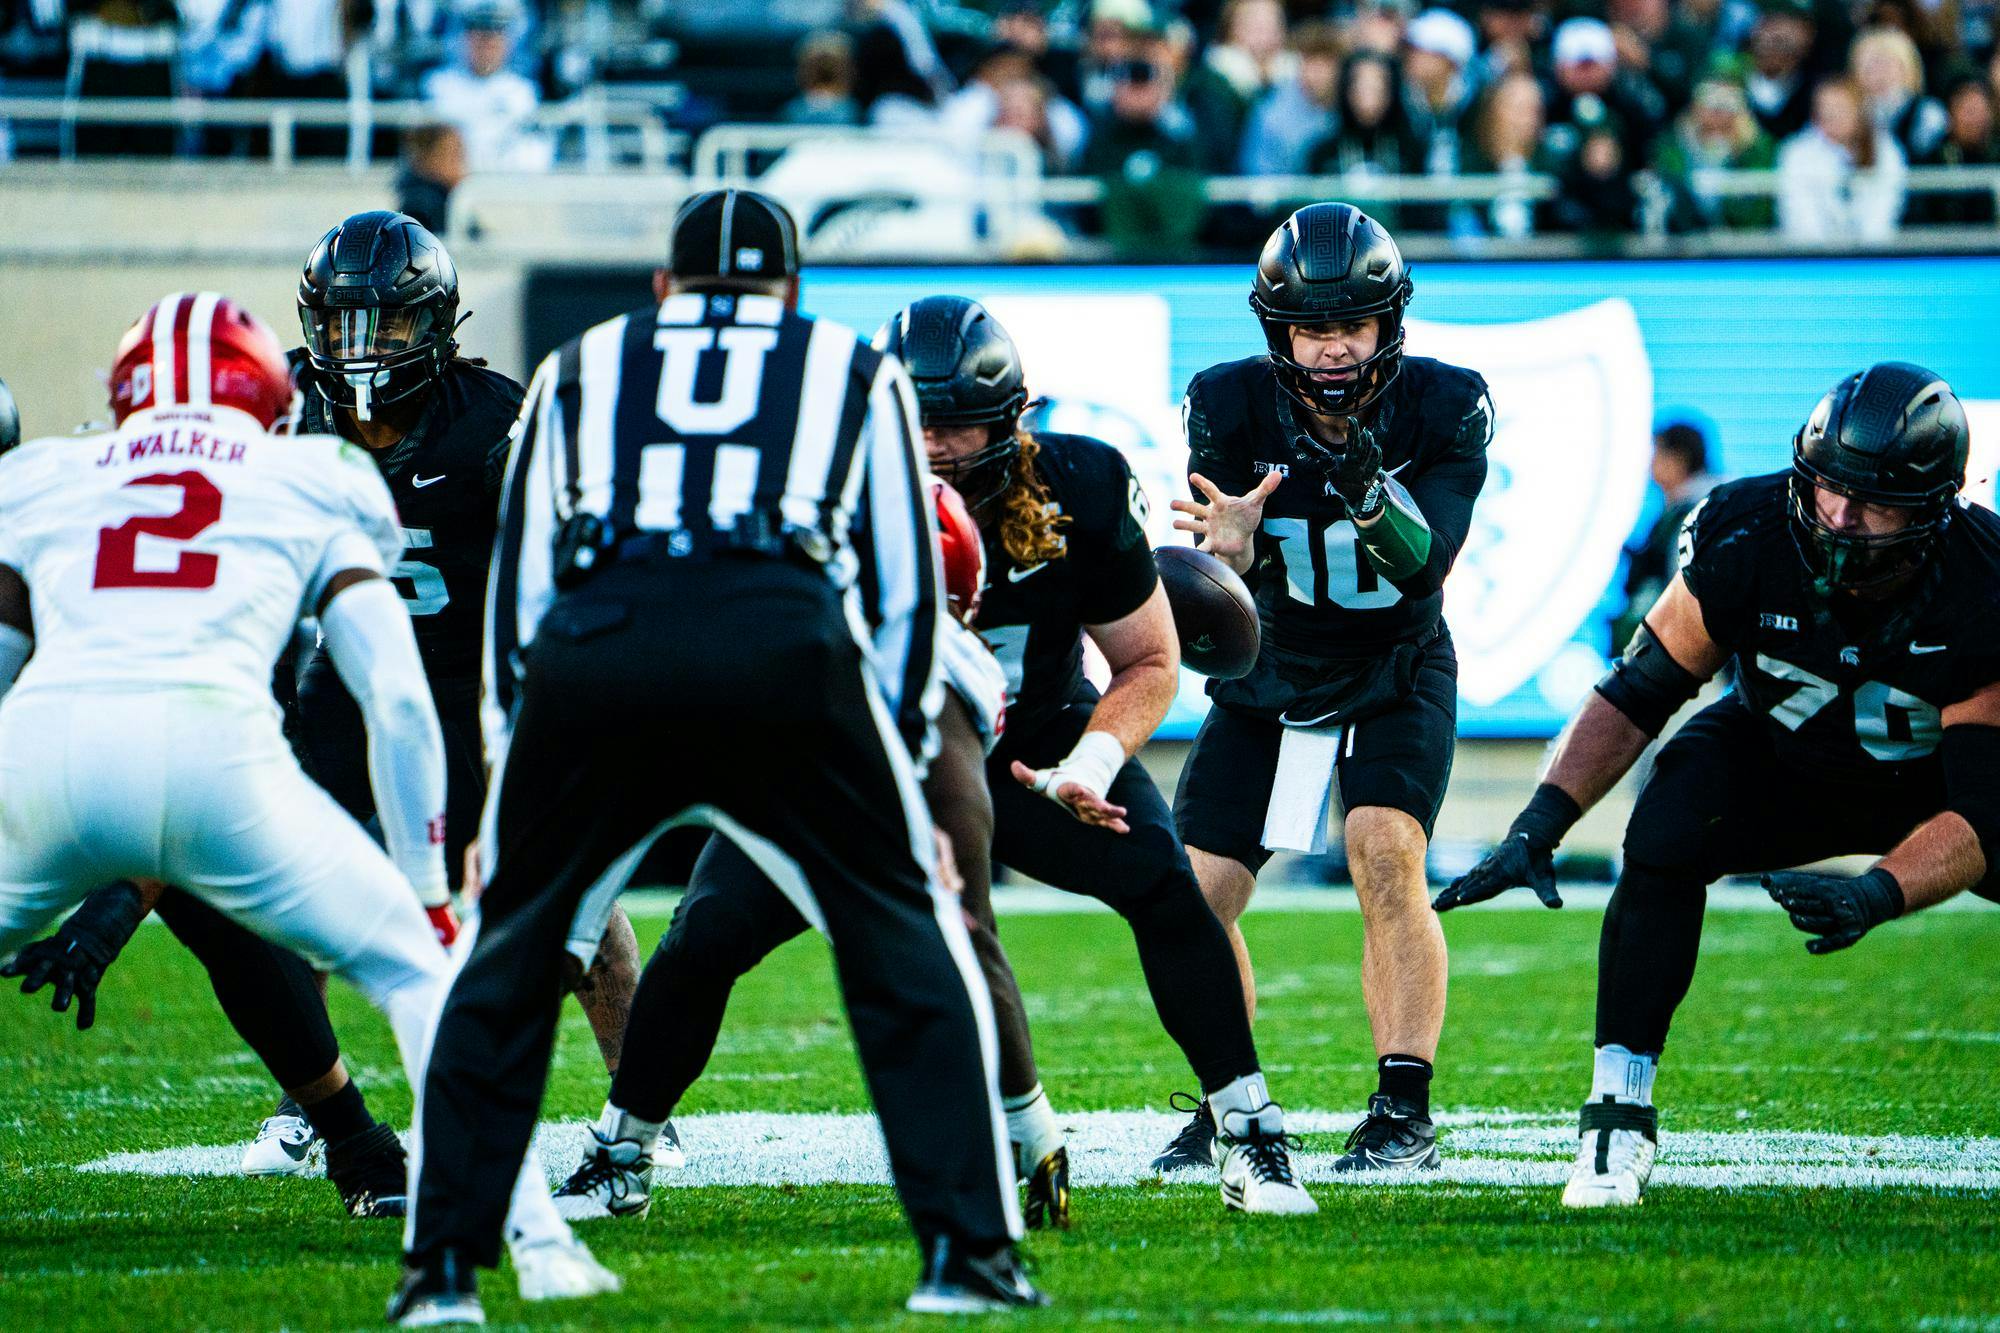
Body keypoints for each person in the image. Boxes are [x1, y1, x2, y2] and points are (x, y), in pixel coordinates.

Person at [394, 190, 1044, 1322]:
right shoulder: (850, 369)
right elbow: (901, 594)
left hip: (603, 643)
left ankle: (441, 1269)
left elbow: (522, 579)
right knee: (908, 941)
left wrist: (514, 752)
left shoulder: (582, 364)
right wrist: (896, 769)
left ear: (663, 287)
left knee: (507, 956)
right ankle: (966, 1255)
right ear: (788, 293)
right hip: (778, 642)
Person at [550, 293, 1316, 1228]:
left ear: (1012, 422)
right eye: (916, 422)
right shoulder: (810, 492)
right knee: (708, 929)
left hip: (1030, 747)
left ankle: (1250, 1131)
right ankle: (620, 1150)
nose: (935, 447)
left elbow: (1149, 660)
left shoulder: (1078, 486)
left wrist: (1093, 759)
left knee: (1162, 882)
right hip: (841, 748)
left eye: (957, 424)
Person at [0, 293, 608, 1305]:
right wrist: (423, 881)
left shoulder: (45, 472)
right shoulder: (311, 473)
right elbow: (399, 701)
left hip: (46, 752)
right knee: (418, 970)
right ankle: (503, 1255)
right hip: (217, 755)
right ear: (270, 398)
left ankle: (352, 1143)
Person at [1436, 363, 2000, 1208]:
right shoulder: (1748, 530)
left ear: (1931, 509)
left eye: (1873, 501)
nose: (1840, 517)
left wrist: (1880, 893)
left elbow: (1985, 809)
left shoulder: (1983, 581)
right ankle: (1618, 1111)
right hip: (1785, 761)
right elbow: (1637, 691)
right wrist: (1539, 824)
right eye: (1829, 489)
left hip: (1932, 787)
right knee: (1671, 814)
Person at [548, 469, 1080, 1231]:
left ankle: (1013, 1138)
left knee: (935, 946)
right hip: (786, 768)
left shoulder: (943, 677)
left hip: (881, 782)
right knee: (705, 933)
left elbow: (965, 927)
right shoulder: (754, 640)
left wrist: (1034, 1120)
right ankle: (625, 1148)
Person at [1168, 202, 1492, 1174]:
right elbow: (1205, 584)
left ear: (1388, 323)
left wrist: (1362, 483)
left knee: (1383, 848)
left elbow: (1422, 564)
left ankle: (1402, 1107)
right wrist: (1224, 560)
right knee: (1196, 895)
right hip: (1270, 669)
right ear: (1279, 331)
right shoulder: (1226, 406)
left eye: (1351, 324)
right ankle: (1231, 1101)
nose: (1334, 348)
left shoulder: (1444, 403)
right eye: (1313, 327)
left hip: (1393, 664)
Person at [1612, 420, 1719, 652]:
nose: (1650, 464)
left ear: (1678, 459)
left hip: (1690, 654)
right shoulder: (1686, 509)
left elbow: (1688, 592)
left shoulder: (1699, 514)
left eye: (1656, 453)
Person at [1777, 76, 1907, 242]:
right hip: (1813, 260)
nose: (1831, 115)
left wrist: (1866, 256)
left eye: (1840, 108)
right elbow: (1799, 216)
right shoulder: (1796, 152)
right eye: (1825, 108)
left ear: (1859, 111)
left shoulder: (1886, 150)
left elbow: (1884, 210)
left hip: (1872, 259)